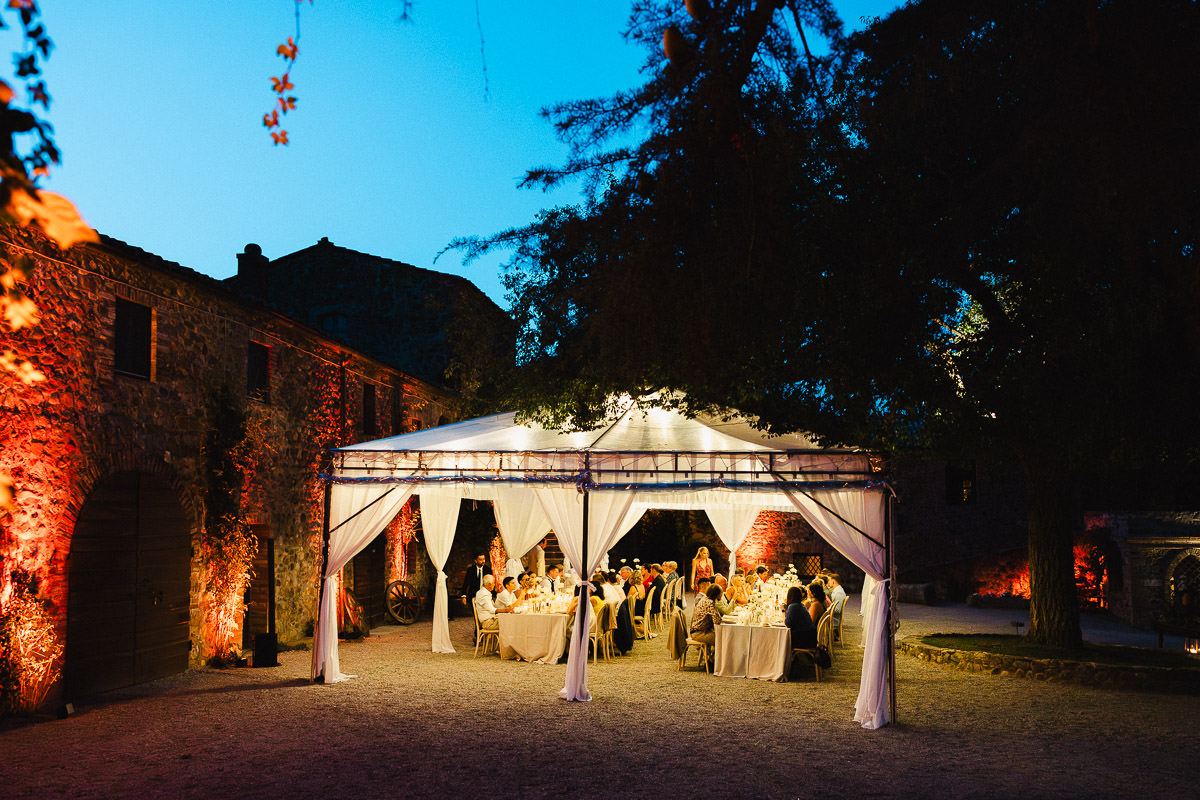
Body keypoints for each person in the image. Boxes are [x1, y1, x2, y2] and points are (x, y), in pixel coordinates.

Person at [688, 583, 724, 650]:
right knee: (724, 639)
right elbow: (717, 621)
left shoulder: (705, 599)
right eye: (721, 592)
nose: (722, 594)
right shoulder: (709, 603)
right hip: (699, 633)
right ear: (716, 594)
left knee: (723, 636)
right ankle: (716, 659)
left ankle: (713, 657)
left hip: (698, 631)